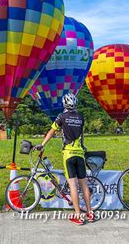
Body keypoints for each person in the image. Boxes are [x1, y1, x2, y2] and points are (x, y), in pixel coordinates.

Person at [35, 93, 94, 226]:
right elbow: (82, 135)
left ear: (64, 104)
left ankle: (78, 216)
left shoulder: (62, 117)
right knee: (84, 185)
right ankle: (90, 213)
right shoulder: (81, 117)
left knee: (73, 185)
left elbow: (51, 131)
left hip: (68, 155)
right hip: (80, 154)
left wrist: (42, 144)